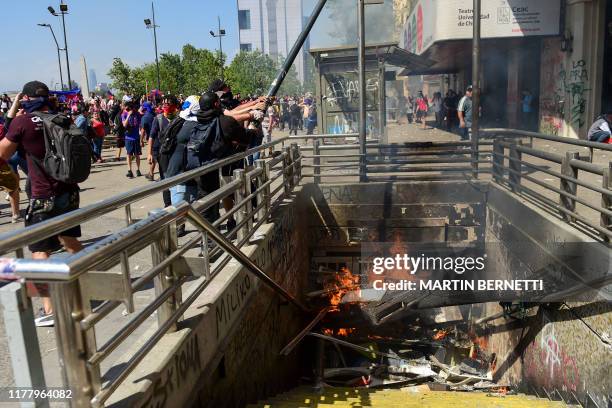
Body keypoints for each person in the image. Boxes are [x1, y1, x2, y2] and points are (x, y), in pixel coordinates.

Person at [0, 81, 83, 327]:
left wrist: (12, 114)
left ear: (25, 98)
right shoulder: (62, 118)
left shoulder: (23, 122)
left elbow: (2, 153)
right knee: (69, 241)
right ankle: (86, 288)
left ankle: (49, 310)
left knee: (39, 250)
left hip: (43, 195)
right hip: (69, 191)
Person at [149, 96, 180, 208]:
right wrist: (149, 154)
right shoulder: (159, 119)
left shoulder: (179, 118)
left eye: (168, 103)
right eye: (164, 104)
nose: (165, 106)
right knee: (165, 179)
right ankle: (168, 204)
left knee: (177, 178)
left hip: (177, 153)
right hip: (163, 155)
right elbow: (151, 137)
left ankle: (178, 201)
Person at [122, 101, 142, 178]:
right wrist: (128, 115)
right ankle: (129, 170)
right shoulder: (124, 114)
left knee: (137, 155)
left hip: (136, 137)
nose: (128, 110)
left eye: (129, 108)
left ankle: (138, 170)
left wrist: (141, 137)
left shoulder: (137, 114)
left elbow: (140, 125)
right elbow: (124, 125)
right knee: (129, 154)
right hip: (128, 138)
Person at [139, 102, 155, 178]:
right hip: (158, 137)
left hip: (151, 139)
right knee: (156, 155)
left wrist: (141, 140)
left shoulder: (145, 117)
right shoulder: (154, 114)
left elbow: (142, 130)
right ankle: (151, 173)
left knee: (152, 156)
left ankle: (151, 174)